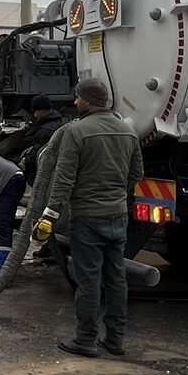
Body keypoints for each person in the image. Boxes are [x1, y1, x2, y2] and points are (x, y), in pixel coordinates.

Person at [37, 78, 142, 358]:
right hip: (118, 216)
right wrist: (118, 196)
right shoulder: (128, 131)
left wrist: (50, 213)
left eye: (77, 98)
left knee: (88, 281)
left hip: (86, 217)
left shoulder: (77, 131)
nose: (74, 102)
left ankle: (85, 339)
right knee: (117, 279)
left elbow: (63, 178)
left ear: (87, 101)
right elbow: (137, 175)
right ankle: (116, 340)